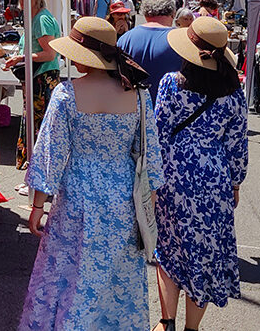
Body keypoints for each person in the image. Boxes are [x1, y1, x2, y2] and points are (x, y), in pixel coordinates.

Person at [19, 17, 163, 330]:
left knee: (67, 271)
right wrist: (148, 205)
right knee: (116, 276)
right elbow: (150, 155)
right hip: (123, 197)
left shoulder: (66, 94)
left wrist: (38, 205)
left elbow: (51, 155)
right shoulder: (139, 95)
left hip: (77, 196)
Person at [153, 16, 248, 331]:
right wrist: (235, 183)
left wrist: (152, 178)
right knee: (204, 253)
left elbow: (159, 133)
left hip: (174, 174)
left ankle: (166, 322)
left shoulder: (171, 83)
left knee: (169, 248)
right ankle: (191, 328)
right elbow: (237, 145)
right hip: (214, 178)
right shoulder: (233, 92)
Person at [5, 0, 60, 171]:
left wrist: (21, 58)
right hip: (39, 75)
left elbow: (49, 54)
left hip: (42, 77)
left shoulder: (41, 19)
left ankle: (37, 169)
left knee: (38, 122)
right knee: (35, 121)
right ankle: (34, 168)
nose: (20, 0)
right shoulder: (38, 18)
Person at [118, 0, 182, 107]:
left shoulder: (125, 39)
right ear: (173, 13)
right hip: (170, 110)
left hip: (136, 109)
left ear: (145, 12)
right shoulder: (181, 40)